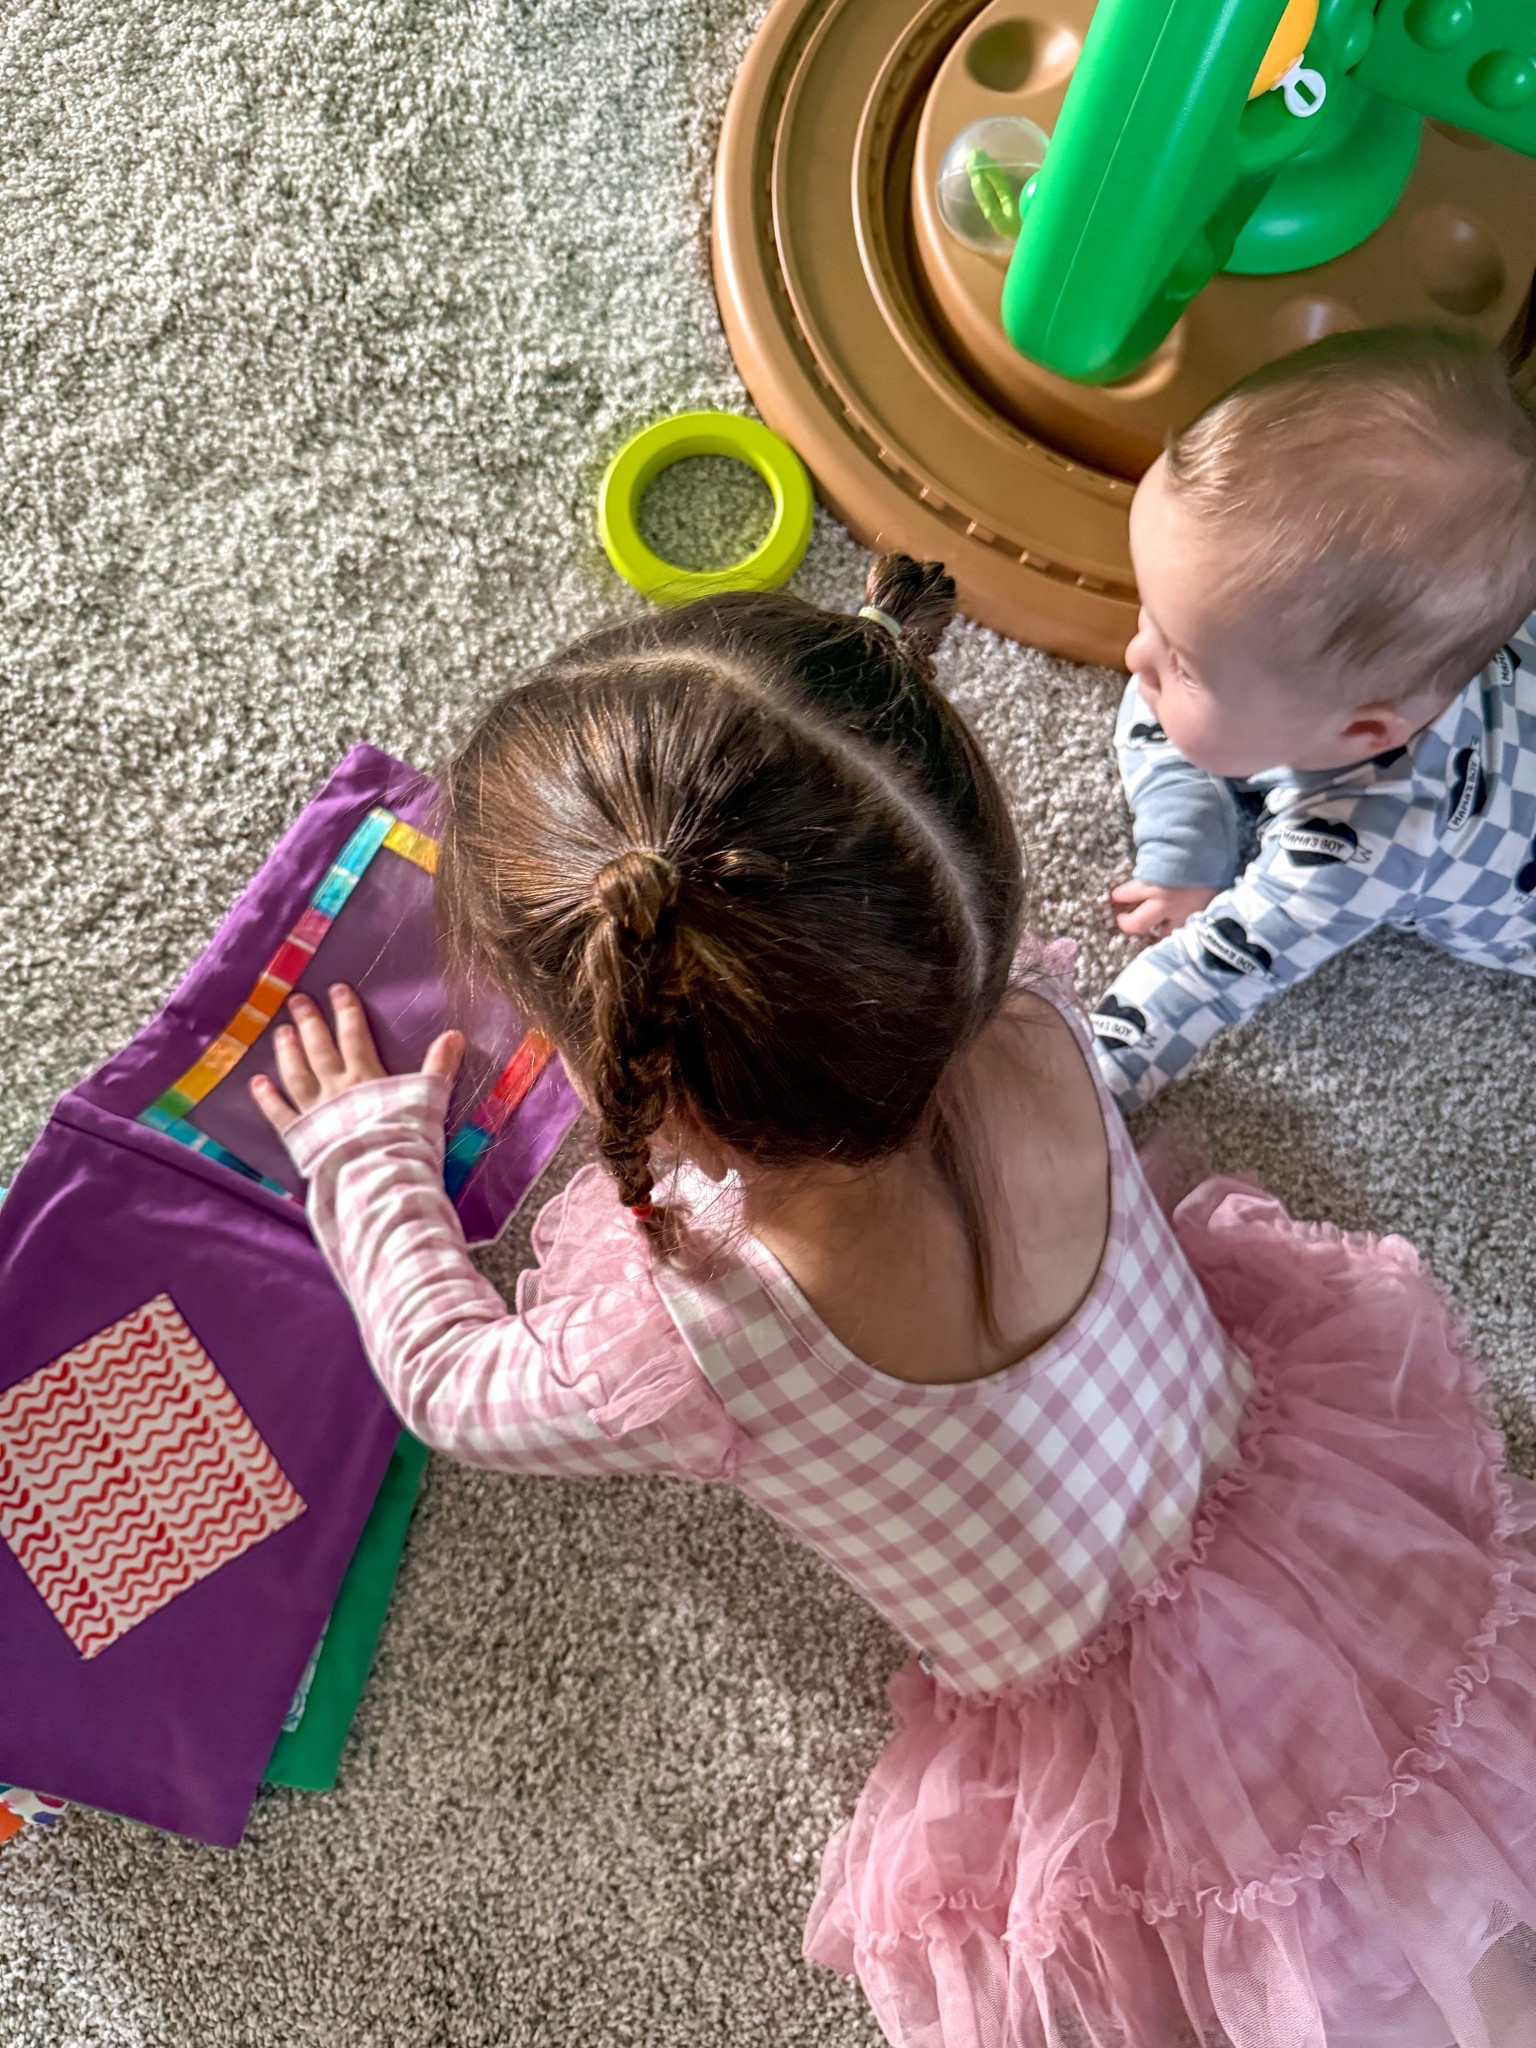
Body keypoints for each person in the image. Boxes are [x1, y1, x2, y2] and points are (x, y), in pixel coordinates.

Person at [254, 556, 1536, 2048]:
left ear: (644, 1070)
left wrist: (365, 1156)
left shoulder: (710, 1326)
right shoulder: (1042, 1019)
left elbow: (452, 1386)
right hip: (1315, 1561)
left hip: (1126, 1764)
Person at [1093, 327, 1536, 1109]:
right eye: (1152, 616)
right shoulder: (1318, 676)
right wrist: (1185, 832)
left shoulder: (1365, 841)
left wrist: (1078, 1086)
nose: (1134, 656)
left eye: (1184, 661)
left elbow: (1206, 982)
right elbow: (1162, 706)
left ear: (1362, 735)